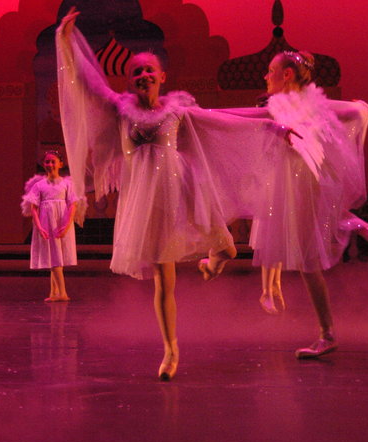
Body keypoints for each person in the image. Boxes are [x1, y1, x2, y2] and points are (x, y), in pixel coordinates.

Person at [56, 8, 294, 380]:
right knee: (163, 280)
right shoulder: (121, 109)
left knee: (227, 249)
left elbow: (225, 119)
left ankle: (215, 259)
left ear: (162, 77)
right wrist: (66, 42)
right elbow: (87, 83)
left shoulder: (177, 110)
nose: (144, 75)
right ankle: (171, 349)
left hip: (184, 190)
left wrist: (271, 123)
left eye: (150, 70)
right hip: (149, 203)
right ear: (130, 80)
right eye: (137, 71)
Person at [234, 51, 368, 357]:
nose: (266, 76)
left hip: (296, 184)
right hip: (313, 181)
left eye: (271, 70)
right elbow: (356, 112)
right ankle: (350, 220)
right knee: (305, 256)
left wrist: (199, 115)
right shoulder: (314, 105)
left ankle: (326, 333)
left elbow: (242, 118)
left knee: (306, 261)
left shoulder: (278, 107)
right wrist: (362, 107)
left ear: (287, 74)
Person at [21, 150, 80, 302]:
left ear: (60, 164)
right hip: (47, 222)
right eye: (47, 161)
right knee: (53, 257)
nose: (50, 164)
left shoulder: (67, 184)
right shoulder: (39, 186)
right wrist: (39, 227)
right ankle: (54, 292)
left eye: (53, 161)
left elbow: (72, 205)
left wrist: (67, 225)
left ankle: (62, 293)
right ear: (43, 164)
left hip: (61, 222)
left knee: (56, 258)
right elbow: (34, 208)